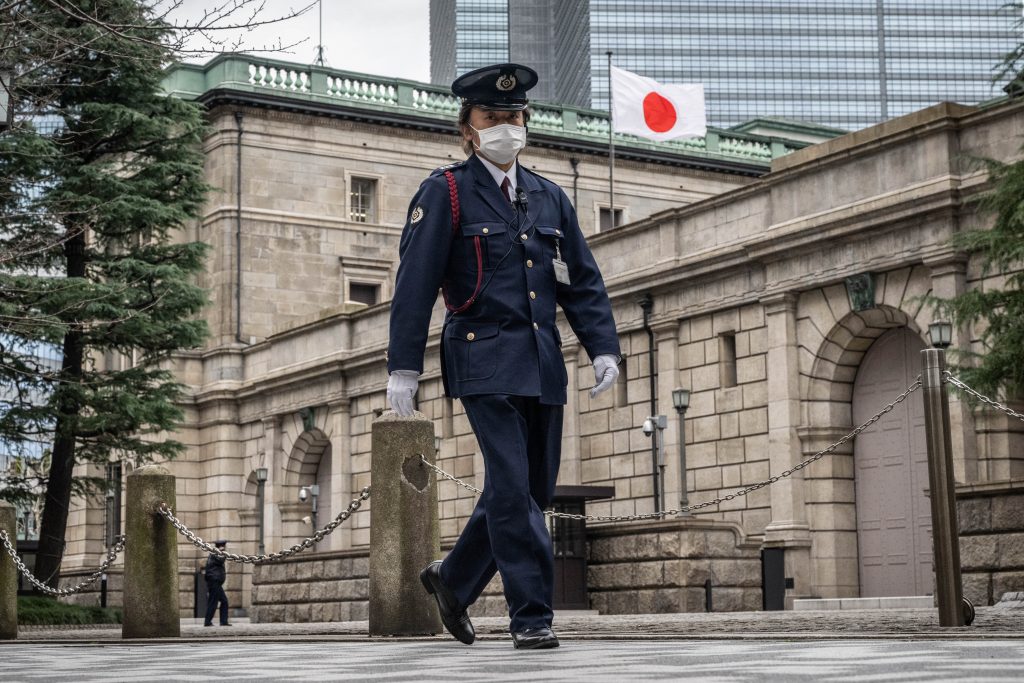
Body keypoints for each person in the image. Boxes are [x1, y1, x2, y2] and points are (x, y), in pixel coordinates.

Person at [386, 63, 621, 650]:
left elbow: (582, 282)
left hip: (543, 362)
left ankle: (453, 578)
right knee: (513, 488)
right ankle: (532, 615)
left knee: (531, 489)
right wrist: (403, 369)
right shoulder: (444, 192)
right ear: (468, 128)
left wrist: (603, 348)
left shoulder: (550, 196)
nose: (506, 127)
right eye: (492, 118)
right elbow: (414, 284)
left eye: (514, 117)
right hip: (483, 359)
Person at [203, 539, 230, 627]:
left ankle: (223, 621)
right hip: (214, 581)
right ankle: (207, 622)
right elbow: (221, 560)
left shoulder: (215, 553)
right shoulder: (215, 553)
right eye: (224, 546)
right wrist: (222, 552)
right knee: (213, 602)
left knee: (224, 601)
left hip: (216, 582)